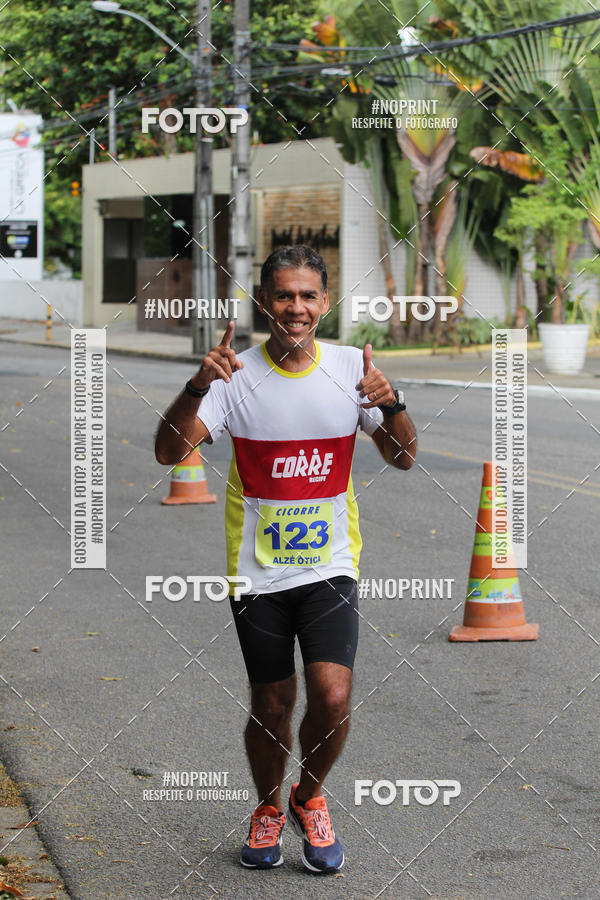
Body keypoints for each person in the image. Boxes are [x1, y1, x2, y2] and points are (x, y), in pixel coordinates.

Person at [155, 245, 416, 874]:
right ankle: (268, 807)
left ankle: (309, 795)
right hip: (257, 571)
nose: (295, 308)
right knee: (272, 705)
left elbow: (403, 456)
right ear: (264, 303)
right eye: (283, 296)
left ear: (324, 303)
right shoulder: (233, 374)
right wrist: (196, 385)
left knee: (332, 694)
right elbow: (168, 452)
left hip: (331, 565)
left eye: (307, 296)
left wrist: (392, 403)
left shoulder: (356, 369)